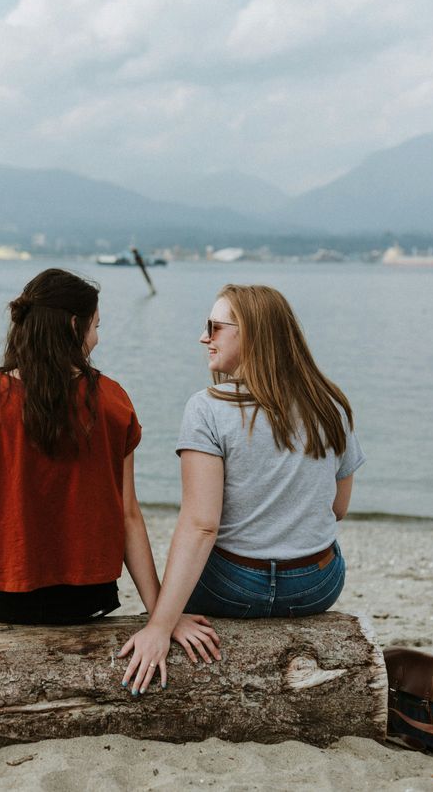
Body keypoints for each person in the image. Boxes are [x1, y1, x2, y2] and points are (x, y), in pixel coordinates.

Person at [0, 268, 219, 676]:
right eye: (96, 326)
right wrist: (161, 618)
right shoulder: (112, 401)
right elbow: (129, 515)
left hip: (0, 601)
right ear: (74, 326)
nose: (98, 338)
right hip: (84, 602)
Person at [119, 284, 365, 693]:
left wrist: (159, 625)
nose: (204, 337)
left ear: (249, 333)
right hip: (315, 587)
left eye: (214, 327)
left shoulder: (208, 408)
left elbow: (201, 526)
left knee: (190, 551)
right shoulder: (330, 405)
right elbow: (338, 509)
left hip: (232, 588)